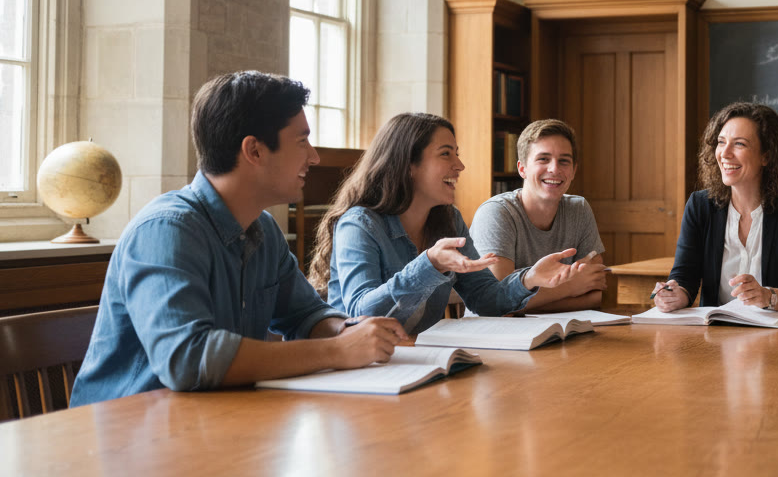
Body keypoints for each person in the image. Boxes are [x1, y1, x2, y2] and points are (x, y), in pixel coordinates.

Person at [70, 72, 407, 406]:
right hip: (126, 440)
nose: (314, 158)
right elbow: (189, 359)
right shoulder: (165, 230)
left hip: (212, 423)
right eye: (301, 141)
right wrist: (337, 350)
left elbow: (306, 315)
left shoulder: (263, 228)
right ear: (254, 151)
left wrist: (351, 330)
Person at [308, 113, 579, 335]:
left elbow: (484, 298)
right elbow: (360, 314)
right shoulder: (360, 224)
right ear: (409, 165)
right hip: (358, 371)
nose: (459, 165)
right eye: (446, 154)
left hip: (416, 362)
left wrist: (530, 278)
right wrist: (429, 265)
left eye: (456, 154)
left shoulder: (449, 220)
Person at [653, 102, 778, 314]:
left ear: (766, 156)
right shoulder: (700, 205)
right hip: (714, 337)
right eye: (721, 142)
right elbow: (685, 276)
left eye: (739, 144)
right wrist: (673, 295)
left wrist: (768, 296)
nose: (725, 153)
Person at [470, 119, 609, 313]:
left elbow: (596, 293)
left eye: (564, 161)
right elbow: (498, 303)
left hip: (560, 333)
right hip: (494, 337)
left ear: (574, 170)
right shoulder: (496, 213)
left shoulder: (579, 209)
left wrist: (528, 299)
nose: (554, 169)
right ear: (522, 168)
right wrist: (570, 287)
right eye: (543, 159)